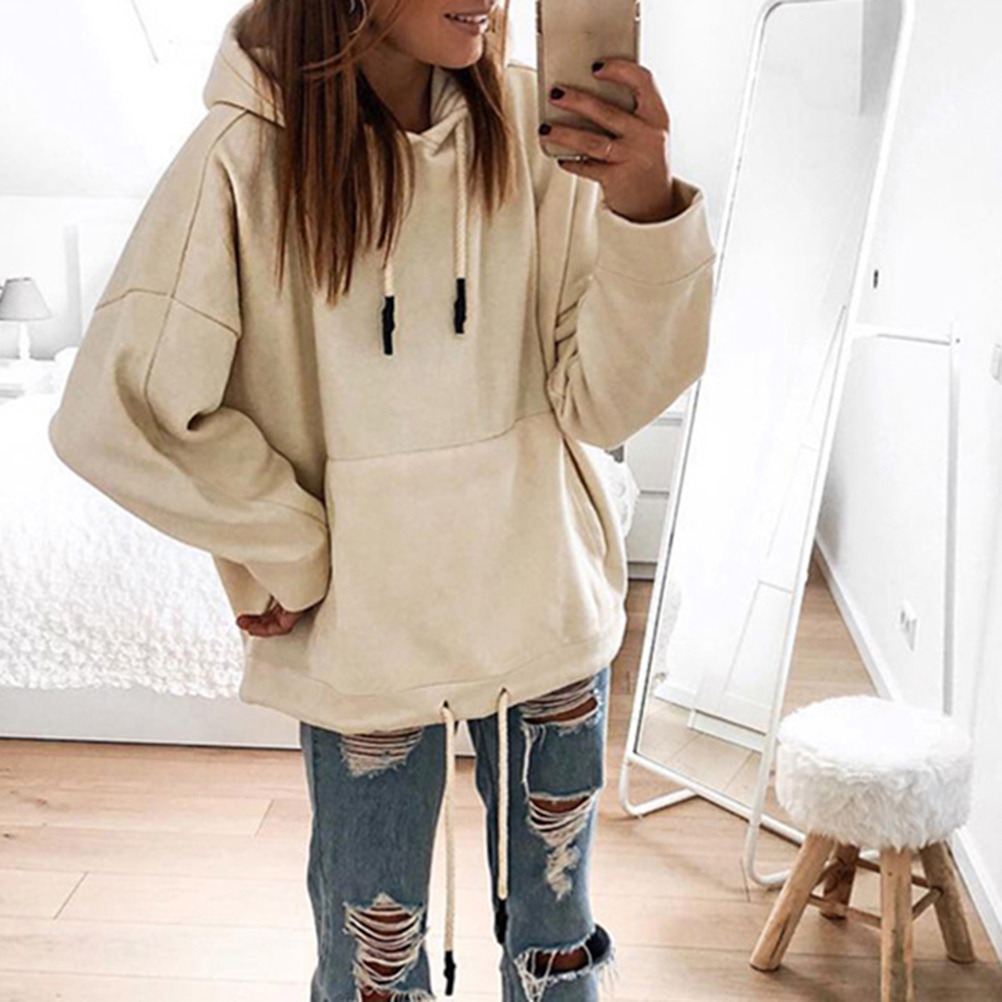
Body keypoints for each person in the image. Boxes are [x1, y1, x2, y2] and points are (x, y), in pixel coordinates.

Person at [48, 0, 717, 998]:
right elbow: (119, 411)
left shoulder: (534, 126)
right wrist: (288, 545)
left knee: (557, 948)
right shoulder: (243, 158)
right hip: (367, 638)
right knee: (376, 968)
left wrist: (643, 209)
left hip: (545, 612)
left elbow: (603, 401)